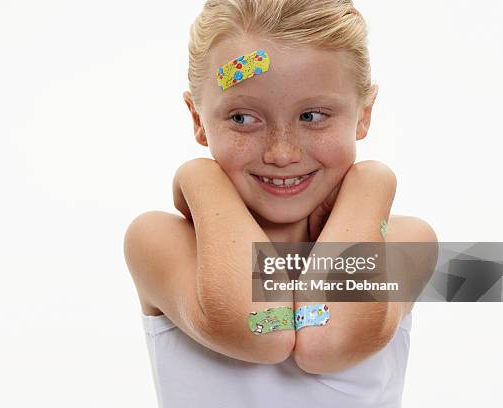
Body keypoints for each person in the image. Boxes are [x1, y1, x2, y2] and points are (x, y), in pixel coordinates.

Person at [124, 0, 437, 406]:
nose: (282, 153)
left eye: (312, 116)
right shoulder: (160, 241)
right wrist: (200, 176)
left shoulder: (404, 244)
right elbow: (264, 331)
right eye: (241, 118)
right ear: (199, 119)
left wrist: (372, 182)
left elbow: (324, 340)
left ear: (364, 114)